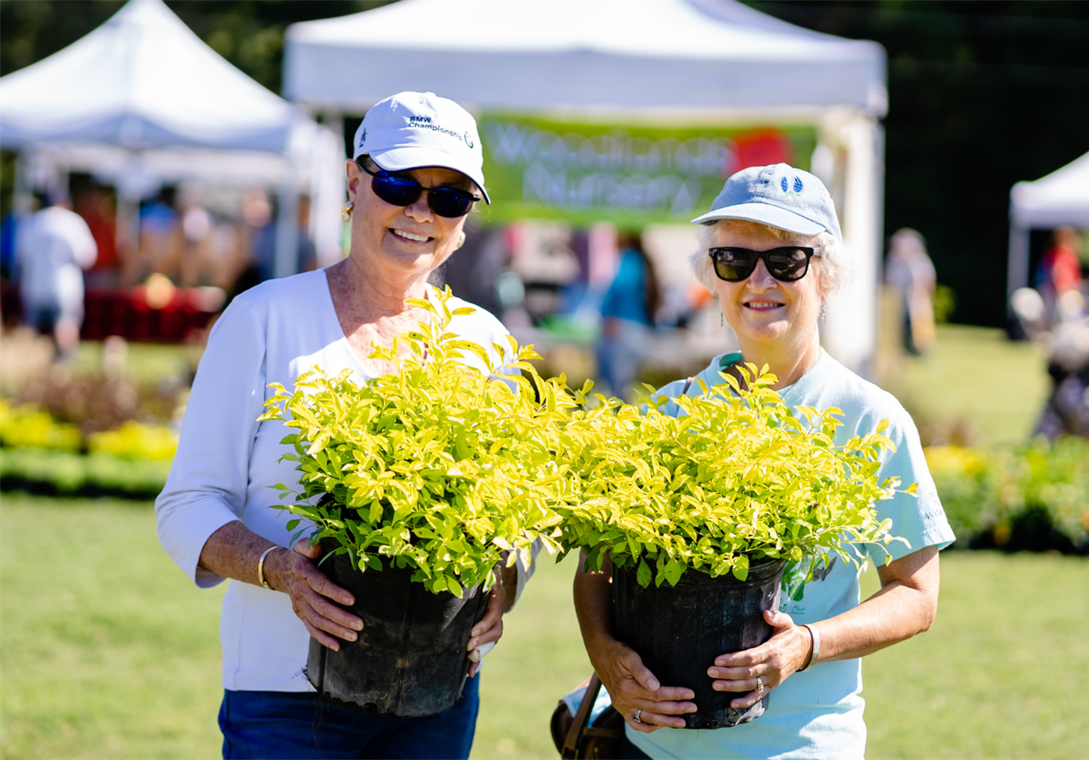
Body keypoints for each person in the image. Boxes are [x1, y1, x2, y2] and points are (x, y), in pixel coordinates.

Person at [156, 92, 519, 760]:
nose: (420, 213)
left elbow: (508, 513)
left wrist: (505, 584)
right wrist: (281, 570)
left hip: (436, 697)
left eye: (449, 199)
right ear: (354, 184)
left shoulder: (488, 344)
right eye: (399, 185)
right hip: (283, 698)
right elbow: (186, 506)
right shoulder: (264, 319)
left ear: (466, 222)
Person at [574, 164, 955, 760]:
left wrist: (806, 644)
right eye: (734, 261)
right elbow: (598, 567)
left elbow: (916, 594)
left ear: (825, 277)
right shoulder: (668, 414)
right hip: (655, 749)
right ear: (714, 279)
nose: (759, 280)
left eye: (786, 262)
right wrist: (604, 653)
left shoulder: (870, 419)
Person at [13, 191, 97, 360]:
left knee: (33, 332)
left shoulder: (30, 223)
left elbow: (19, 259)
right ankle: (63, 370)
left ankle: (30, 369)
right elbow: (87, 257)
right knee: (66, 325)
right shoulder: (72, 222)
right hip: (65, 288)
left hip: (34, 287)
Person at [596, 233, 660, 400]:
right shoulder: (641, 259)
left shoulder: (630, 257)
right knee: (624, 386)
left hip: (623, 327)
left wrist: (608, 314)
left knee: (618, 389)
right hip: (635, 327)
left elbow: (621, 287)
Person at [884, 228, 937, 355]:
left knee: (920, 328)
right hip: (897, 300)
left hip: (916, 300)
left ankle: (920, 351)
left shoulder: (920, 260)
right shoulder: (894, 260)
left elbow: (928, 281)